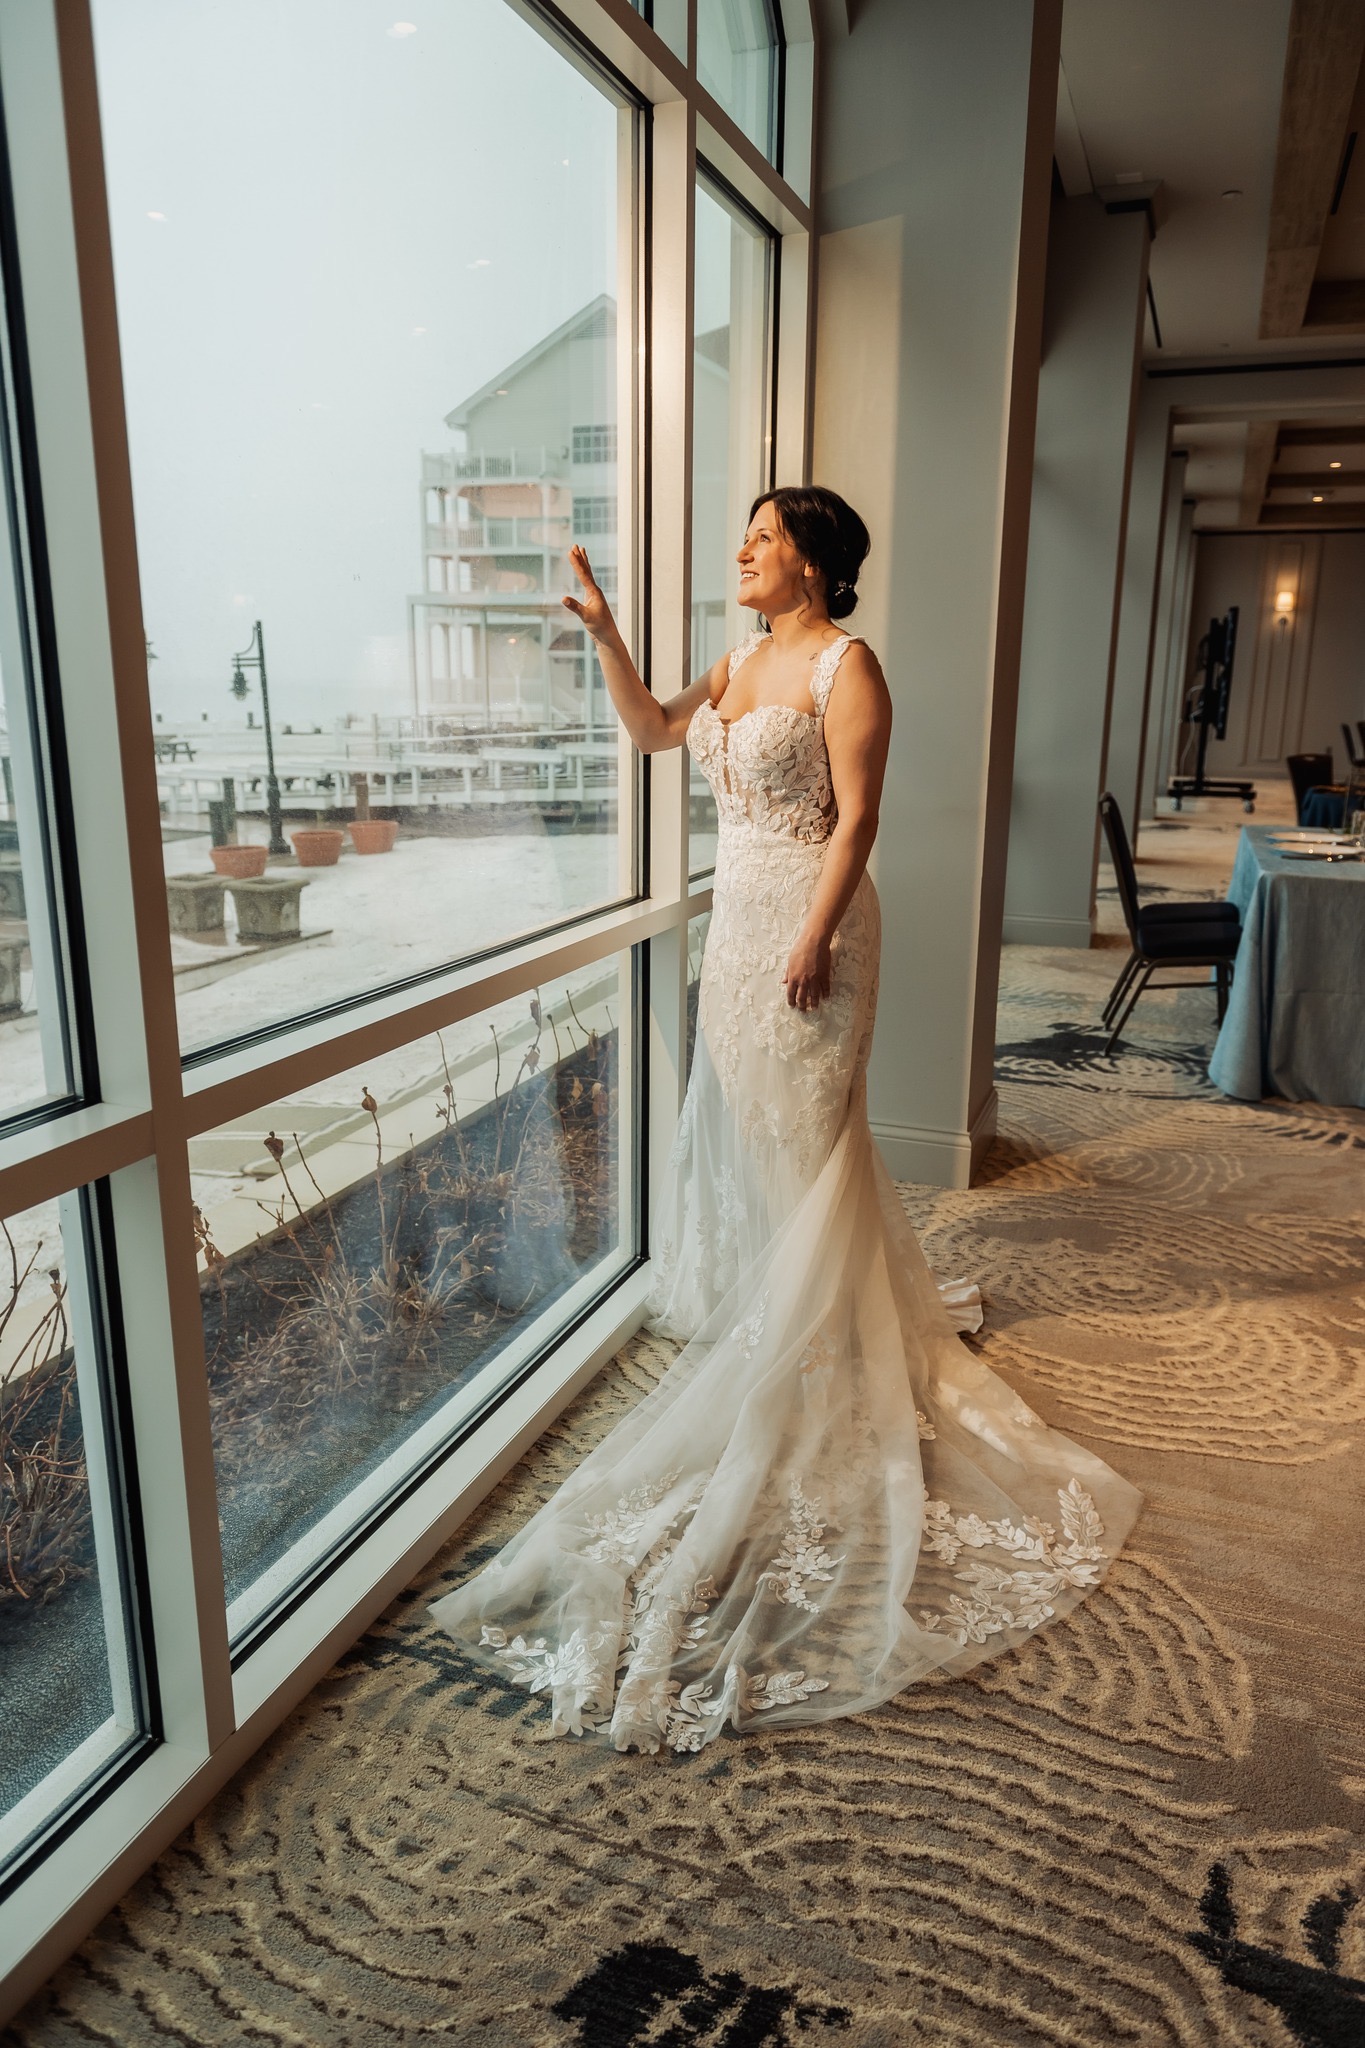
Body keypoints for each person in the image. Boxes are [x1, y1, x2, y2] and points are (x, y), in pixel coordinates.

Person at [430, 485, 1141, 1754]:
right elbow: (653, 732)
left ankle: (820, 1344)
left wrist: (813, 934)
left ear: (810, 561)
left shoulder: (845, 665)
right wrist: (602, 632)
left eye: (759, 539)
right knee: (766, 1145)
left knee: (810, 1140)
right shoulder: (740, 658)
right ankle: (803, 1307)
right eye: (745, 540)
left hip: (815, 932)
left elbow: (856, 818)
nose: (741, 554)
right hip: (735, 925)